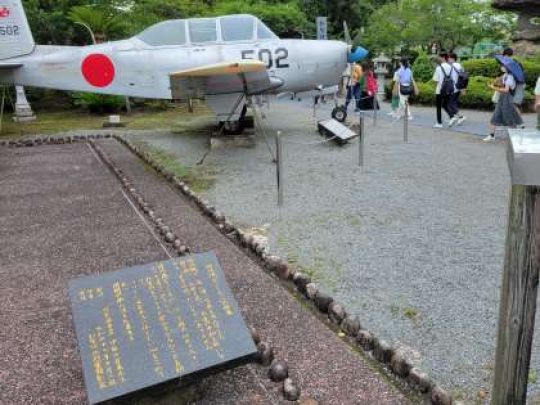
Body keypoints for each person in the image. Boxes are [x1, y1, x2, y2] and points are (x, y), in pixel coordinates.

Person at [484, 59, 523, 142]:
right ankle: (492, 135)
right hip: (502, 98)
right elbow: (503, 86)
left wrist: (493, 87)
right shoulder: (506, 75)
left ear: (507, 68)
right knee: (495, 116)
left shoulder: (510, 77)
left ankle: (515, 136)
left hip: (507, 99)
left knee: (509, 118)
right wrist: (496, 83)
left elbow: (506, 90)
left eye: (503, 66)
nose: (502, 67)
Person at [432, 52, 463, 128]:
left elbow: (435, 80)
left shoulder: (439, 67)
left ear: (442, 58)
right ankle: (452, 116)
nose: (438, 58)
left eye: (439, 57)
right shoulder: (451, 66)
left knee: (439, 106)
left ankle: (439, 123)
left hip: (440, 90)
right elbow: (453, 78)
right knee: (445, 104)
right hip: (449, 89)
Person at [503, 48, 526, 112]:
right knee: (513, 104)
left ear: (506, 55)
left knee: (515, 104)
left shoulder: (513, 62)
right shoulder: (513, 61)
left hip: (519, 83)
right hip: (516, 83)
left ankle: (518, 119)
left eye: (504, 55)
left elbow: (518, 74)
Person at [447, 52, 466, 126]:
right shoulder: (460, 65)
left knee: (450, 103)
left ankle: (460, 116)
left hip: (453, 87)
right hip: (459, 87)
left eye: (448, 58)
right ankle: (454, 117)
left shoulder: (451, 66)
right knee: (453, 102)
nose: (448, 59)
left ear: (452, 58)